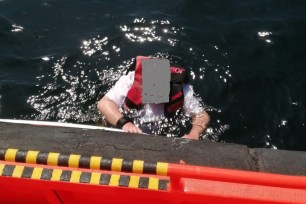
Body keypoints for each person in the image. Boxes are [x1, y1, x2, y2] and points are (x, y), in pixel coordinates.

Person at [97, 56, 210, 140]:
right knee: (104, 120)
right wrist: (125, 123)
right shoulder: (129, 81)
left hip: (161, 131)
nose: (156, 99)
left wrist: (194, 133)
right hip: (127, 124)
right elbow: (104, 103)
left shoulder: (181, 89)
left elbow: (201, 115)